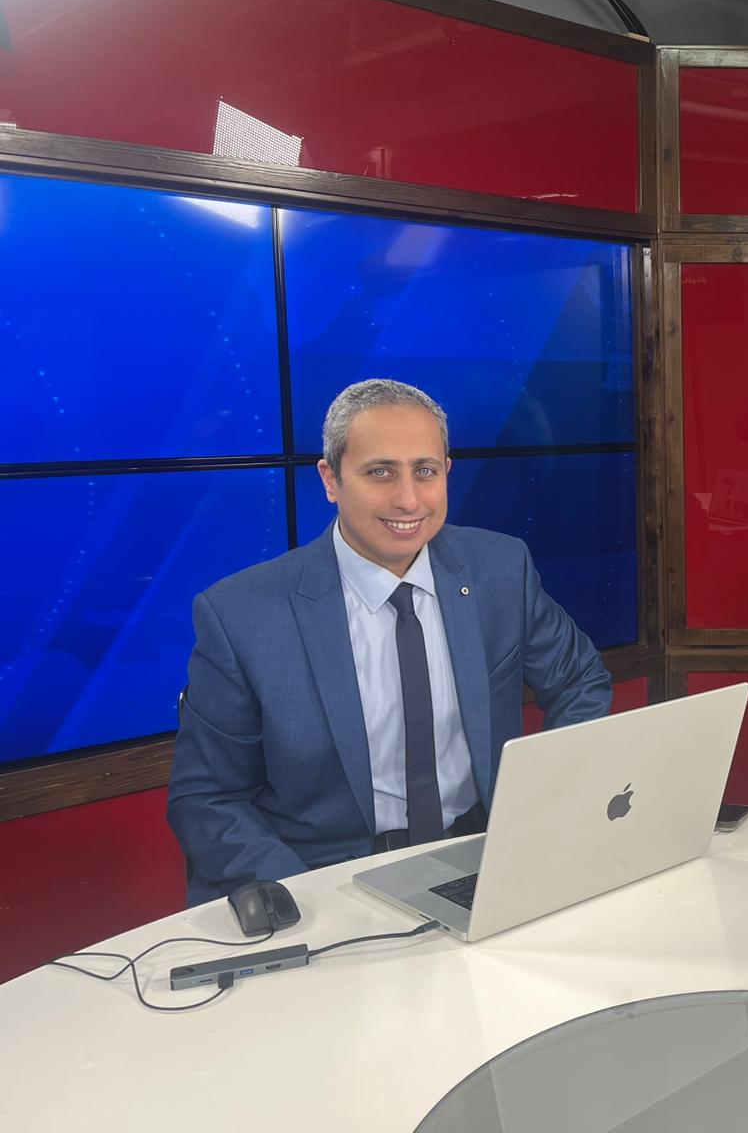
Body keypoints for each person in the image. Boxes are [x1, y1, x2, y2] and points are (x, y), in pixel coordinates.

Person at [169, 379, 611, 904]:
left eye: (425, 471)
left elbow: (580, 680)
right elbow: (208, 797)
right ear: (331, 479)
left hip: (483, 855)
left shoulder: (499, 568)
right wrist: (302, 895)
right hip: (327, 879)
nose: (408, 499)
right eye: (380, 472)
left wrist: (540, 807)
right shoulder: (241, 614)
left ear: (446, 473)